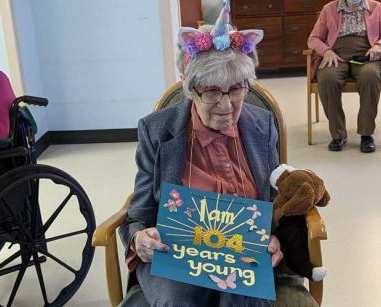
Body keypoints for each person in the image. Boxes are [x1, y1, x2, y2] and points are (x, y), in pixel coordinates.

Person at [118, 2, 309, 306]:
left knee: (243, 296)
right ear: (191, 90)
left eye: (236, 89)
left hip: (244, 247)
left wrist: (276, 239)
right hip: (177, 253)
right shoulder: (156, 131)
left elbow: (277, 200)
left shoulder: (262, 125)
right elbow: (138, 214)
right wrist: (139, 238)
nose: (226, 105)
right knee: (177, 301)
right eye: (211, 92)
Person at [308, 0, 381, 152]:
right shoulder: (329, 9)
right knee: (327, 78)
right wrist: (326, 51)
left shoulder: (375, 7)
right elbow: (313, 39)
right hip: (336, 55)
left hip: (365, 55)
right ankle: (338, 134)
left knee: (370, 76)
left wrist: (378, 45)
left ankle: (366, 134)